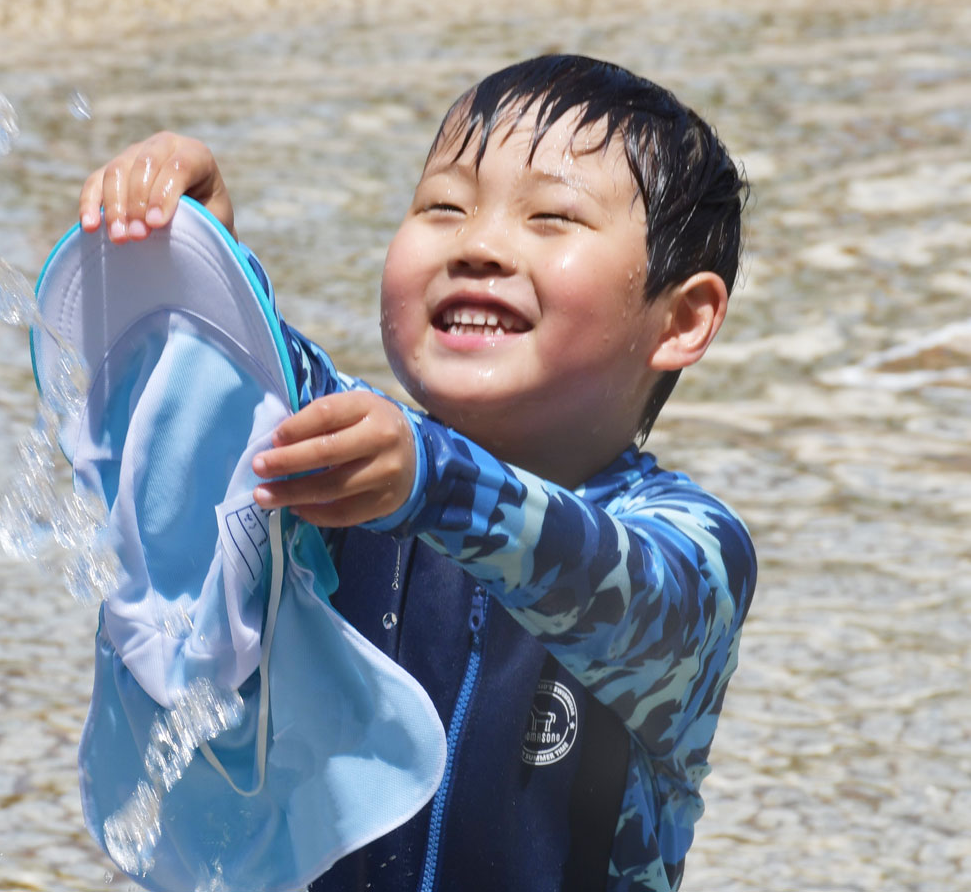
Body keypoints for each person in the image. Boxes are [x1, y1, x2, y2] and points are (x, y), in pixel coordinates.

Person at [75, 54, 757, 892]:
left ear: (683, 319)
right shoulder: (357, 463)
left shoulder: (690, 551)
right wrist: (203, 260)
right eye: (443, 205)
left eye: (550, 217)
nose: (478, 243)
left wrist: (427, 479)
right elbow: (249, 385)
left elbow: (615, 582)